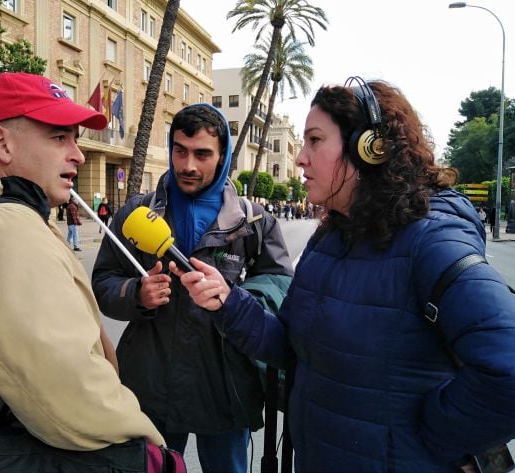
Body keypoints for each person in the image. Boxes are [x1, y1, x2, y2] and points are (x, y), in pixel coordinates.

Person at [171, 78, 515, 472]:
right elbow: (291, 347)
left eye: (315, 140)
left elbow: (508, 370)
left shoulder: (432, 241)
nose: (300, 158)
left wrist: (425, 439)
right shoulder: (329, 240)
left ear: (369, 149)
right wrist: (229, 303)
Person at [0, 72, 164, 452]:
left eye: (75, 138)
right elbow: (75, 398)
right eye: (59, 137)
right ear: (1, 143)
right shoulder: (2, 228)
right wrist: (152, 453)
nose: (78, 154)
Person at [91, 103, 293, 473]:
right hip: (150, 385)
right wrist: (137, 294)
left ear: (223, 156)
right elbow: (103, 281)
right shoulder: (136, 212)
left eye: (202, 154)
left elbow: (281, 288)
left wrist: (234, 299)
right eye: (180, 150)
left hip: (225, 385)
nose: (188, 165)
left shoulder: (255, 221)